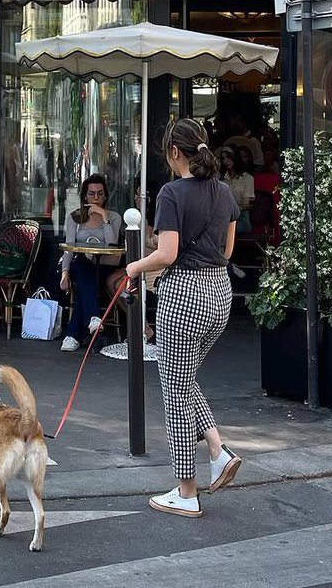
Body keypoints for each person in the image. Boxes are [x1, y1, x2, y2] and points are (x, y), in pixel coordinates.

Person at [125, 117, 242, 517]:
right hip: (220, 293)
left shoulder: (171, 193)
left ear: (175, 152)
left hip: (184, 294)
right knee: (184, 380)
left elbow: (168, 253)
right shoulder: (225, 192)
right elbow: (228, 251)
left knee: (175, 392)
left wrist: (135, 267)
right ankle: (217, 450)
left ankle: (187, 490)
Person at [59, 175, 122, 352]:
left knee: (84, 286)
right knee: (81, 262)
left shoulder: (114, 217)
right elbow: (69, 247)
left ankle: (73, 334)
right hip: (82, 265)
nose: (96, 198)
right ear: (84, 196)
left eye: (100, 194)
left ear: (105, 196)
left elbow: (111, 244)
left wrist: (103, 216)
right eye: (92, 194)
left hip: (106, 267)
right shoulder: (75, 218)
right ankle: (93, 319)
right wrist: (64, 272)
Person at [220, 145, 255, 233]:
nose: (225, 161)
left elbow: (248, 203)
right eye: (223, 158)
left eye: (228, 157)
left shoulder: (248, 178)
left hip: (241, 217)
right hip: (222, 216)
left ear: (235, 157)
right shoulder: (220, 177)